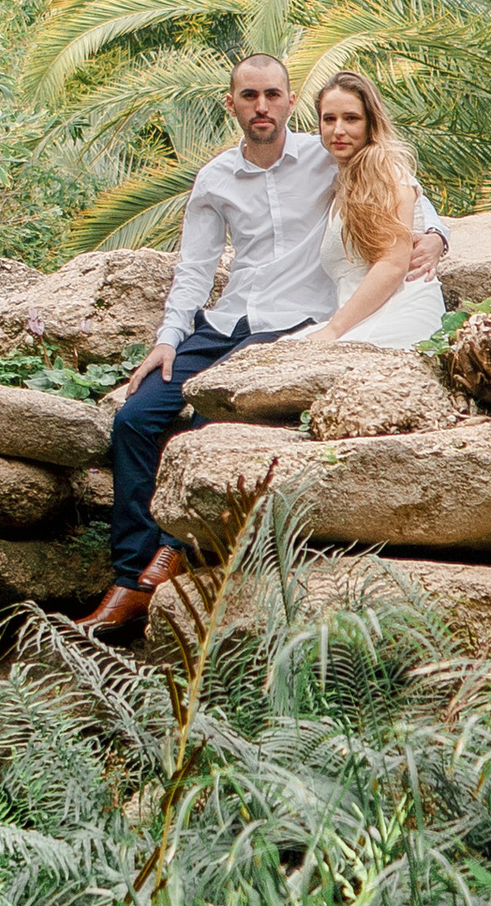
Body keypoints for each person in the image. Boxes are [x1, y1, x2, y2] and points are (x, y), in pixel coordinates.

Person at [79, 48, 449, 641]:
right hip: (227, 323)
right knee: (135, 418)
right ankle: (128, 577)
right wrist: (169, 337)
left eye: (272, 95)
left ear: (289, 102)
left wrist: (436, 235)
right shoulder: (215, 178)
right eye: (249, 96)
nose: (262, 106)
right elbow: (195, 270)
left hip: (295, 322)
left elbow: (401, 189)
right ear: (232, 104)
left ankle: (167, 561)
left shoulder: (327, 152)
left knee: (211, 423)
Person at [305, 68, 446, 348]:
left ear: (371, 123)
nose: (339, 130)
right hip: (360, 315)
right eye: (329, 119)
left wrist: (334, 329)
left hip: (398, 310)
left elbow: (392, 266)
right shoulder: (342, 182)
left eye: (351, 119)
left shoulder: (385, 173)